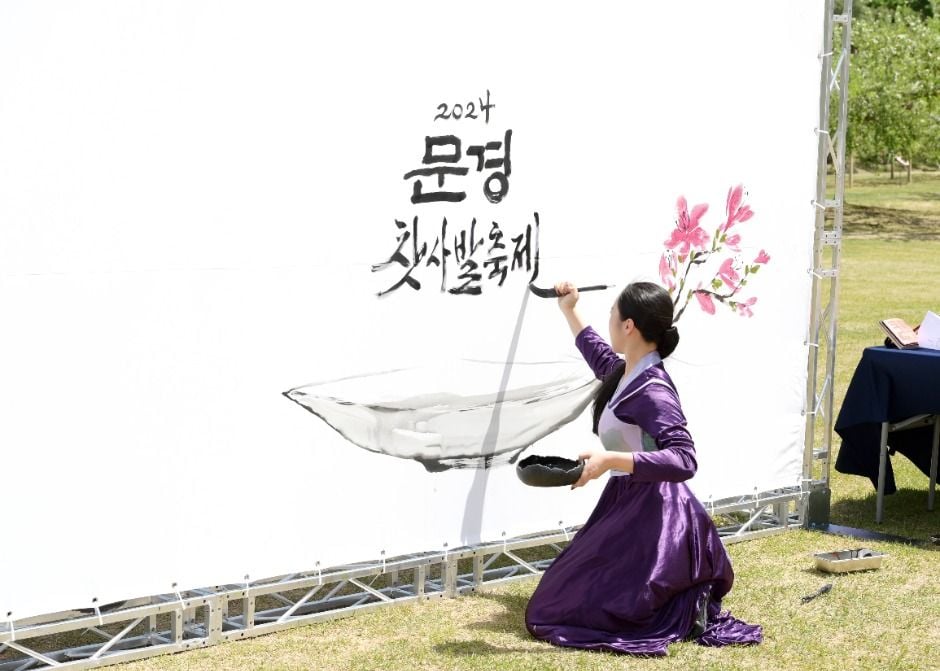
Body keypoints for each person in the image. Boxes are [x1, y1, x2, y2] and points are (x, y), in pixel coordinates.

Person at [524, 281, 763, 656]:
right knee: (554, 600)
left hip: (659, 516)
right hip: (626, 504)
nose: (609, 321)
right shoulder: (626, 372)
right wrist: (569, 308)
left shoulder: (653, 390)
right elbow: (597, 353)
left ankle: (682, 604)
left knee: (551, 610)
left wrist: (610, 460)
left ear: (629, 326)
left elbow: (684, 459)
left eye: (612, 314)